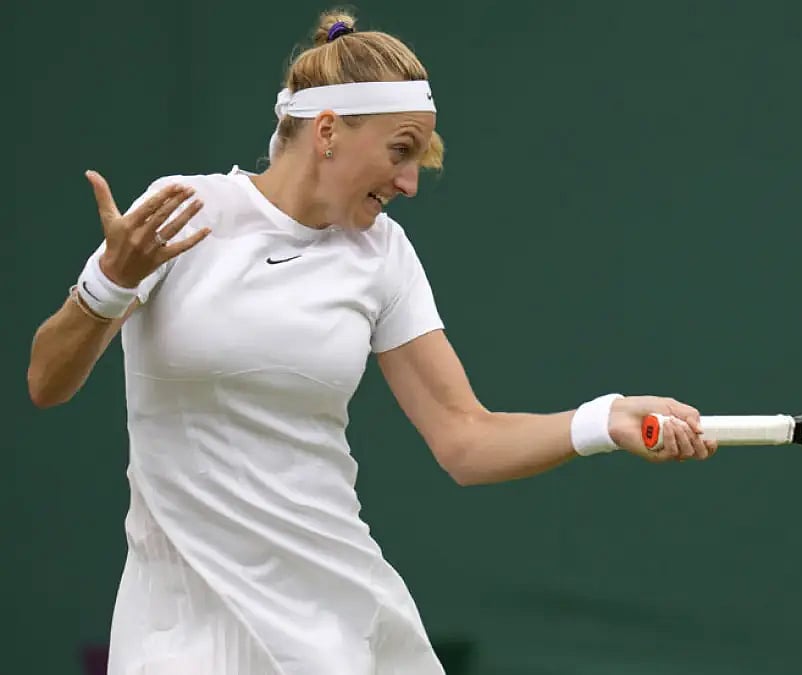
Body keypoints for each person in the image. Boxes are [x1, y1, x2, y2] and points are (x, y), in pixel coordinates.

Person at [26, 9, 717, 675]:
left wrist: (603, 418)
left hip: (332, 626)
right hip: (177, 633)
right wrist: (109, 285)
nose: (411, 182)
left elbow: (465, 437)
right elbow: (45, 382)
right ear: (326, 130)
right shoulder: (182, 212)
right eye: (401, 151)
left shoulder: (383, 254)